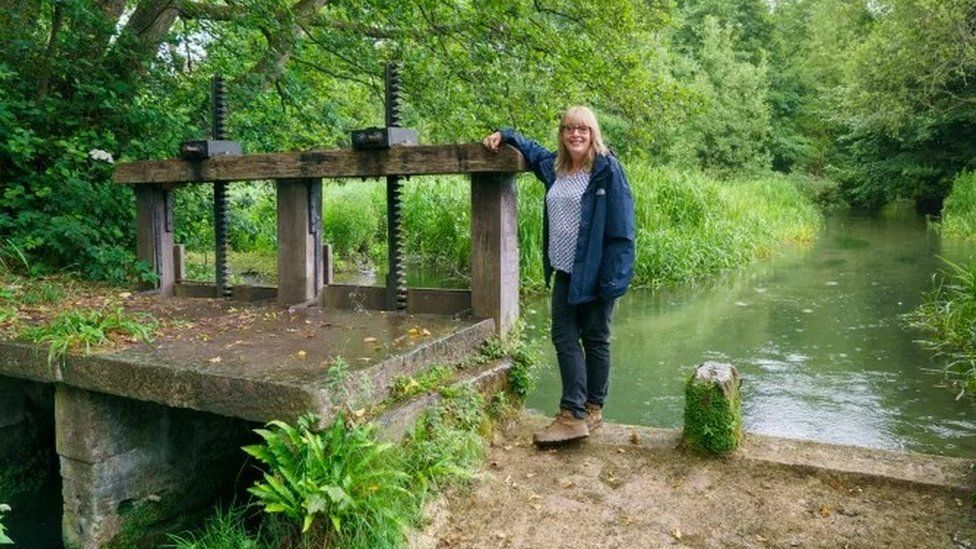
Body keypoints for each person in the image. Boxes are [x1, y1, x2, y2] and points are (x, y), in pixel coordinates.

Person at [482, 106, 636, 445]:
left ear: (593, 133)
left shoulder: (607, 169)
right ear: (562, 134)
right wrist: (505, 134)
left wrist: (613, 282)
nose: (576, 135)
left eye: (583, 129)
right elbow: (531, 150)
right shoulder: (556, 168)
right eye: (569, 129)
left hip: (595, 272)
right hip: (565, 271)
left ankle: (581, 412)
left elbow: (623, 230)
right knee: (565, 337)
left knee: (594, 338)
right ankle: (579, 411)